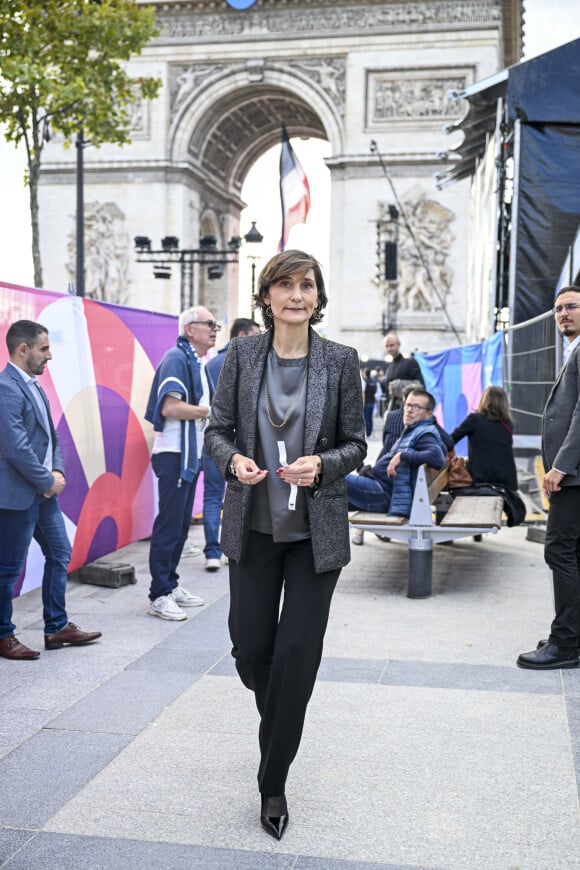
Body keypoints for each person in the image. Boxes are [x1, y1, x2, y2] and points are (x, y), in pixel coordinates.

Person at [204, 249, 366, 840]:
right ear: (266, 294)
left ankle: (273, 782)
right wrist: (236, 459)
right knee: (250, 652)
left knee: (297, 653)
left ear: (318, 297)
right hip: (253, 528)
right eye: (285, 284)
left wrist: (321, 463)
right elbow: (216, 429)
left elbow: (357, 444)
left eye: (307, 285)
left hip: (313, 538)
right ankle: (279, 719)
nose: (297, 294)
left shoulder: (341, 361)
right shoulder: (241, 357)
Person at [0, 320, 101, 660]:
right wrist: (47, 481)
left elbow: (52, 437)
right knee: (9, 568)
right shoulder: (6, 388)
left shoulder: (35, 386)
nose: (50, 356)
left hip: (44, 494)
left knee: (59, 554)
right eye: (43, 349)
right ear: (23, 349)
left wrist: (56, 471)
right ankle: (3, 634)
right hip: (17, 496)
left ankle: (56, 626)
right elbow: (15, 448)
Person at [518, 285, 580, 670]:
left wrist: (560, 466)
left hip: (572, 475)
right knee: (573, 553)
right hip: (573, 473)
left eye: (572, 306)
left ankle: (566, 643)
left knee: (558, 551)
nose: (563, 314)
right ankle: (572, 633)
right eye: (558, 308)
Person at [144, 306, 219, 620]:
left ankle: (170, 585)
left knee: (180, 526)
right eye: (209, 324)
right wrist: (210, 412)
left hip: (187, 455)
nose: (215, 329)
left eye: (217, 324)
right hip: (174, 454)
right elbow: (171, 408)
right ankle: (159, 593)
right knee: (169, 526)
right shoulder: (177, 358)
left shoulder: (196, 361)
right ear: (190, 329)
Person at [348, 388, 447, 545]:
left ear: (429, 414)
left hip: (382, 494)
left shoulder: (424, 433)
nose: (408, 410)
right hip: (381, 488)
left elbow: (437, 457)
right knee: (328, 498)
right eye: (407, 405)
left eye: (416, 407)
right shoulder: (416, 429)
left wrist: (402, 456)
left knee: (331, 479)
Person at [202, 317, 260, 571]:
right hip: (240, 441)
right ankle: (230, 548)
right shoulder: (248, 362)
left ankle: (213, 552)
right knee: (235, 494)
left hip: (215, 438)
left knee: (213, 496)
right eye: (255, 334)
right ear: (242, 335)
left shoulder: (211, 363)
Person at [450, 386, 518, 491]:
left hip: (483, 481)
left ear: (484, 400)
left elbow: (451, 440)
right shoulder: (508, 424)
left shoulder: (474, 420)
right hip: (508, 481)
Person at [383, 332, 424, 409]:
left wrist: (398, 385)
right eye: (386, 346)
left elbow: (421, 385)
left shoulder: (410, 362)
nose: (389, 348)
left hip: (408, 409)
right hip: (393, 411)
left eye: (391, 345)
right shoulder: (390, 367)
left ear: (398, 344)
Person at [362, 367, 378, 437]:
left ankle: (368, 433)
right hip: (372, 401)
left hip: (366, 402)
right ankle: (370, 432)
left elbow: (363, 393)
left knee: (366, 418)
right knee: (370, 418)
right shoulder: (374, 381)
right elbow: (375, 391)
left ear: (365, 373)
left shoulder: (365, 381)